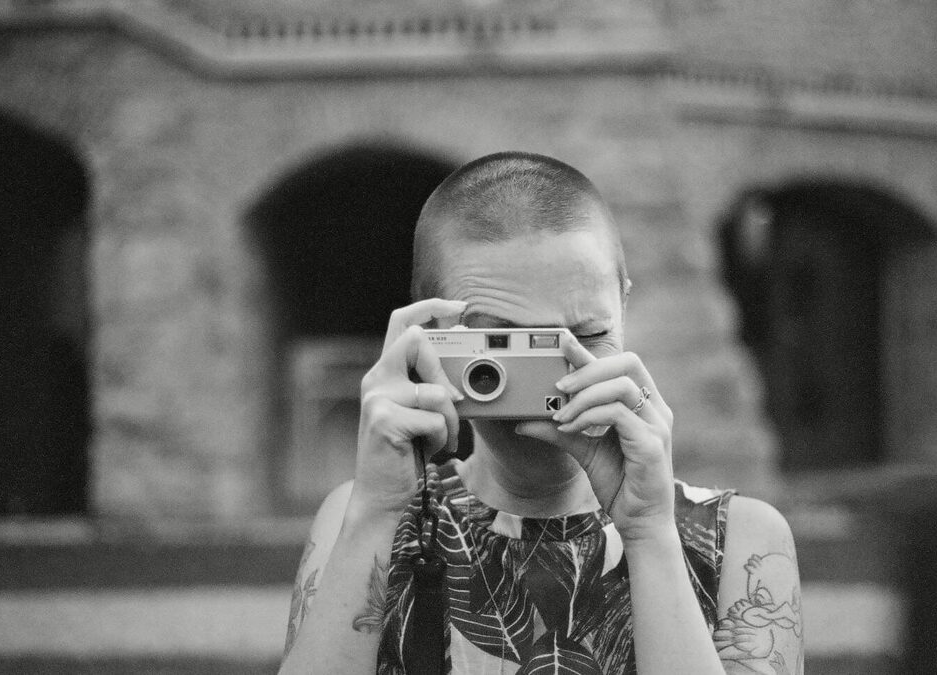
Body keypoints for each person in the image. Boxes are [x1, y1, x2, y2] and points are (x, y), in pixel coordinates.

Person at [279, 152, 803, 674]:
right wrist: (376, 510)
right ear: (430, 334)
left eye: (587, 335)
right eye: (502, 345)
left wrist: (649, 532)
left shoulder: (741, 541)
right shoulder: (365, 518)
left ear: (623, 305)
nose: (555, 376)